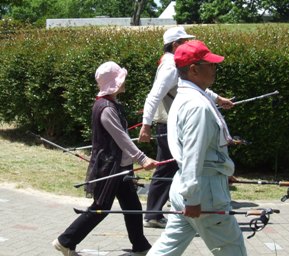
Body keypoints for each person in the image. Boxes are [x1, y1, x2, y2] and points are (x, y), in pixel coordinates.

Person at [146, 40, 247, 256]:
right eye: (210, 64)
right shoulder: (197, 106)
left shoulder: (185, 97)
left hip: (186, 185)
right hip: (203, 191)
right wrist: (193, 198)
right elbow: (193, 154)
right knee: (233, 250)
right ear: (193, 70)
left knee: (167, 248)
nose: (214, 68)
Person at [52, 61, 158, 256]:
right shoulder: (106, 108)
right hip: (110, 167)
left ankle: (141, 246)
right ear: (114, 83)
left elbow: (120, 135)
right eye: (121, 79)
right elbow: (122, 139)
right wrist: (143, 159)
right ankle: (65, 241)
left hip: (120, 165)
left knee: (132, 207)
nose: (124, 82)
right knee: (101, 207)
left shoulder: (111, 104)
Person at [139, 26, 234, 228]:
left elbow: (193, 87)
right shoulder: (171, 66)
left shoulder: (174, 64)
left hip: (172, 122)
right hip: (169, 124)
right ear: (175, 45)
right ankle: (153, 214)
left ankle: (159, 211)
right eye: (184, 41)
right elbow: (154, 95)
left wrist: (218, 99)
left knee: (170, 168)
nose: (189, 43)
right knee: (166, 169)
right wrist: (146, 125)